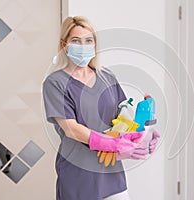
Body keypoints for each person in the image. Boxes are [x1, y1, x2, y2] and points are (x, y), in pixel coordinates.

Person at [42, 16, 160, 200]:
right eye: (76, 41)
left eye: (88, 40)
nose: (83, 46)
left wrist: (143, 134)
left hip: (112, 175)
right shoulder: (55, 83)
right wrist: (114, 144)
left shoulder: (107, 77)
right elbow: (71, 130)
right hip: (79, 175)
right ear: (64, 44)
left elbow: (122, 119)